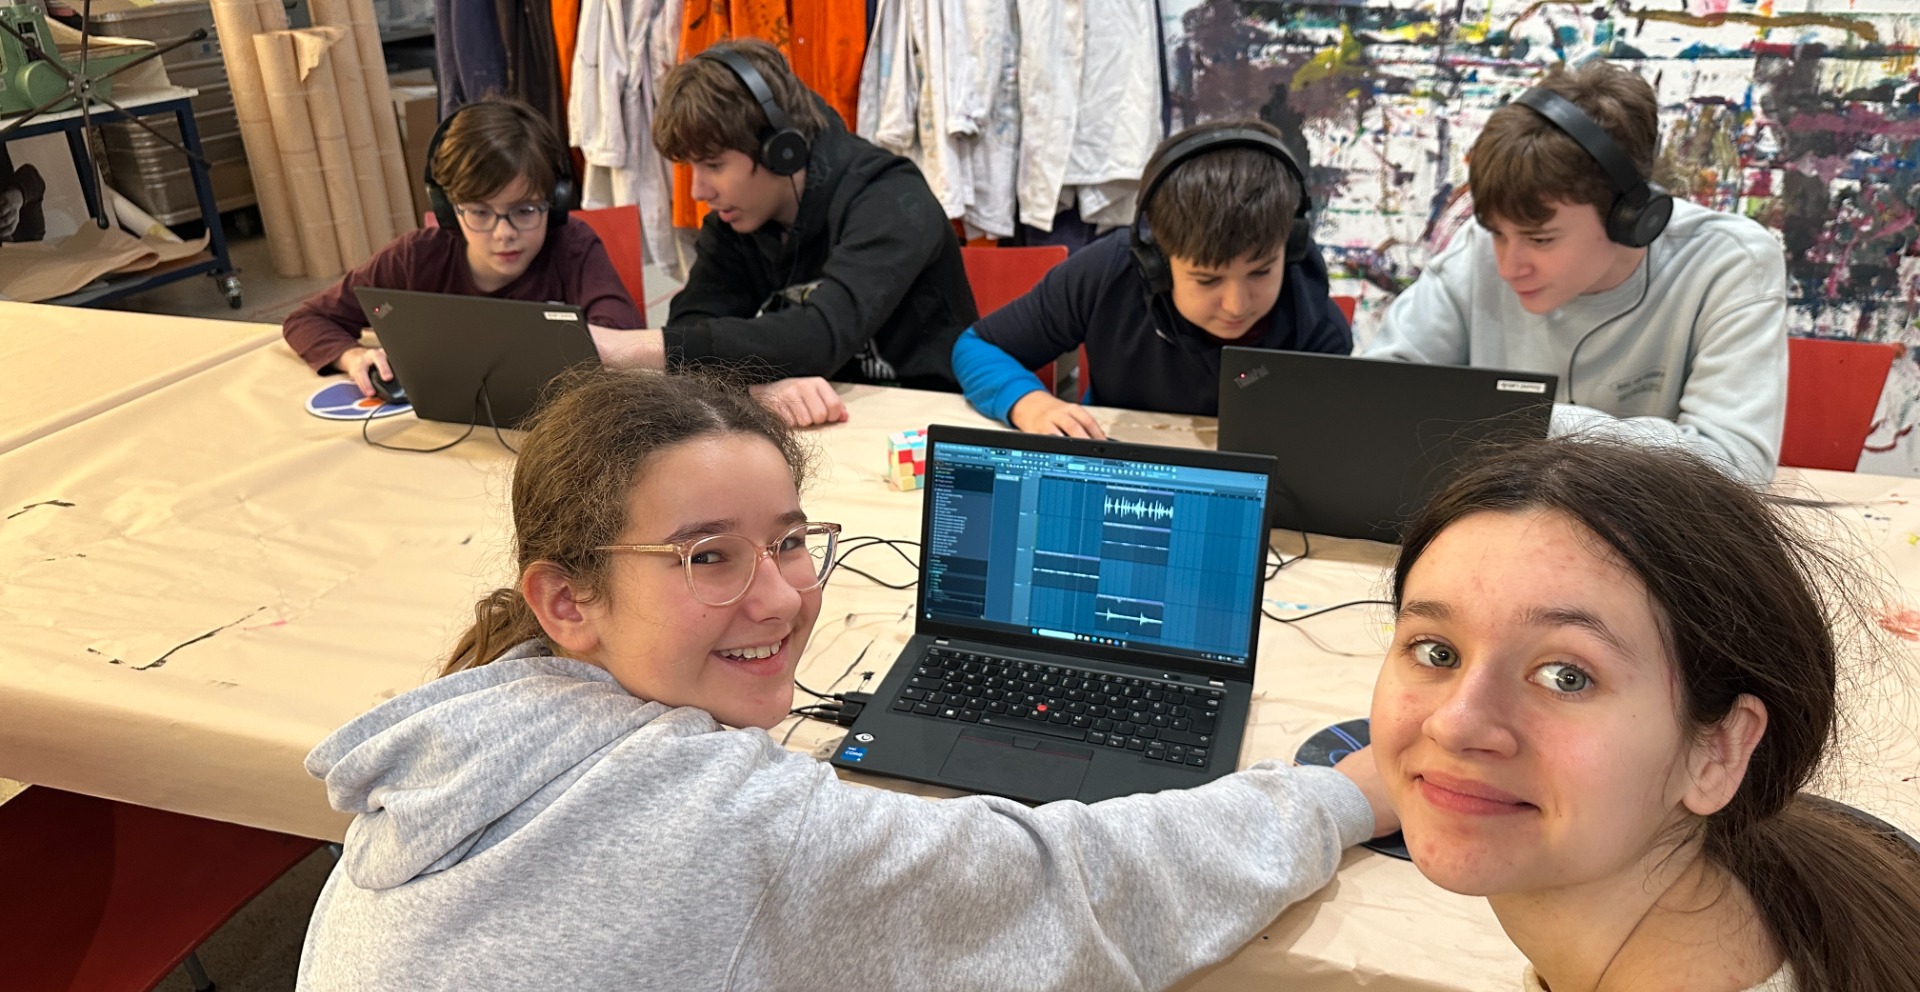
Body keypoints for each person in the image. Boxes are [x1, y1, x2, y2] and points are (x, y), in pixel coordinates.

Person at [283, 368, 1394, 992]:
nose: (778, 597)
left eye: (789, 539)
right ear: (567, 600)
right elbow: (1085, 891)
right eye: (706, 557)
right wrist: (1347, 795)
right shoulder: (738, 837)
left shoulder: (466, 726)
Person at [1356, 436, 1920, 992]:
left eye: (1567, 676)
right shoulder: (1758, 886)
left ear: (1718, 747)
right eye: (1436, 651)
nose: (1455, 724)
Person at [1362, 62, 1787, 484]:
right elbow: (1375, 401)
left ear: (1629, 218)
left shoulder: (1732, 262)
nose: (1508, 267)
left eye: (1541, 239)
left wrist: (1523, 421)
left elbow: (1737, 467)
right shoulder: (1477, 248)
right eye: (1497, 233)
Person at [586, 38, 974, 426]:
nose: (699, 191)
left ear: (781, 150)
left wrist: (630, 347)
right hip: (827, 430)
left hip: (927, 424)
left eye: (714, 165)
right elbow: (694, 330)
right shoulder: (737, 218)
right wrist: (755, 392)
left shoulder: (892, 198)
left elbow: (821, 335)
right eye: (692, 168)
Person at [951, 119, 1352, 439]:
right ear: (1154, 262)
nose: (1236, 305)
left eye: (1260, 271)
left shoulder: (1318, 326)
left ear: (1291, 247)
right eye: (1207, 280)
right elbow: (977, 347)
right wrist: (1028, 403)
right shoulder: (1106, 272)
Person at [280, 97, 643, 397]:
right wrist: (353, 356)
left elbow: (623, 338)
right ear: (447, 209)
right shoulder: (414, 258)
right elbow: (308, 319)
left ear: (556, 202)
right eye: (480, 212)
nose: (504, 233)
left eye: (525, 210)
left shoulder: (572, 247)